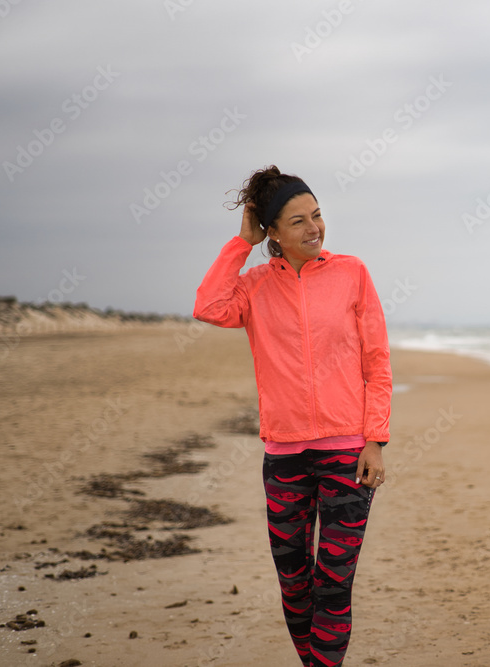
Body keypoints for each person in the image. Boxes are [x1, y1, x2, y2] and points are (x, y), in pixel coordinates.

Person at [193, 166, 391, 667]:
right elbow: (208, 306)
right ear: (272, 232)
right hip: (284, 457)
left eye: (318, 215)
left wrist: (376, 440)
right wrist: (241, 243)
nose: (313, 228)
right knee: (295, 584)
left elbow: (377, 361)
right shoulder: (255, 286)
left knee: (334, 582)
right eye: (298, 220)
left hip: (348, 452)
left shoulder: (352, 273)